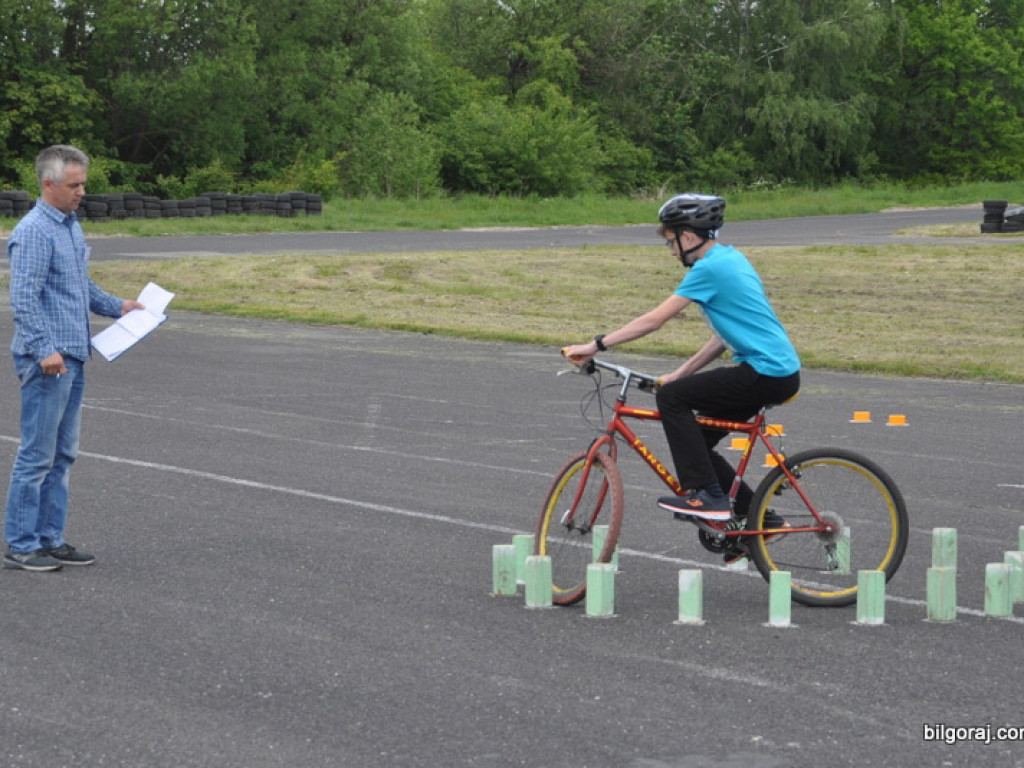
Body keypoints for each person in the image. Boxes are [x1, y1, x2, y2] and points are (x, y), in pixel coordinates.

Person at [563, 192, 800, 525]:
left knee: (672, 399)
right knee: (698, 438)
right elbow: (722, 337)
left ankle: (706, 496)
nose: (671, 250)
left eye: (671, 241)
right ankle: (758, 519)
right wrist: (680, 372)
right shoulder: (731, 260)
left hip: (765, 372)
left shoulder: (708, 270)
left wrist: (596, 345)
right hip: (775, 372)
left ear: (689, 236)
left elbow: (654, 320)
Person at [3, 145, 144, 572]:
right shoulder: (34, 232)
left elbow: (78, 284)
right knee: (37, 455)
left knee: (63, 454)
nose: (81, 191)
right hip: (49, 360)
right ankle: (22, 543)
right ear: (48, 184)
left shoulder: (69, 226)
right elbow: (23, 298)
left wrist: (117, 305)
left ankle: (51, 538)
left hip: (74, 357)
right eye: (74, 185)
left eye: (83, 183)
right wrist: (44, 348)